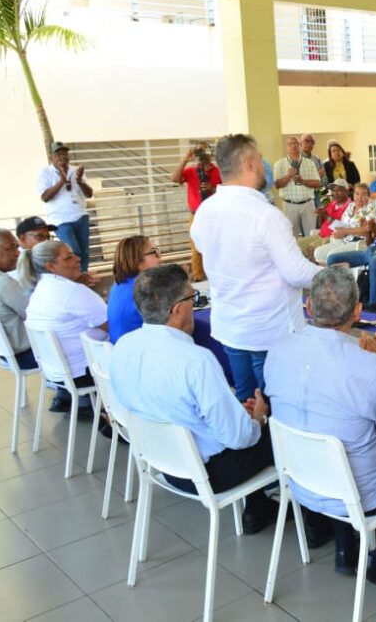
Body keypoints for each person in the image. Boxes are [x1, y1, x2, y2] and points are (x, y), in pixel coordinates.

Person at [265, 268, 376, 585]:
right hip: (361, 495)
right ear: (358, 312)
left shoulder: (276, 350)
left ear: (308, 306)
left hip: (299, 482)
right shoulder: (368, 366)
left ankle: (344, 546)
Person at [111, 264, 276, 534]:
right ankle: (314, 520)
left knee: (235, 418)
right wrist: (259, 419)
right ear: (177, 309)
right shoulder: (196, 361)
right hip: (208, 473)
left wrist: (238, 417)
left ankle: (258, 509)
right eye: (192, 299)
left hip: (163, 461)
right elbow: (239, 439)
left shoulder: (123, 347)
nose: (194, 305)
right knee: (280, 428)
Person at [191, 134, 321, 402]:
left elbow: (209, 252)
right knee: (275, 405)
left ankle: (251, 443)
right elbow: (296, 273)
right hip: (269, 332)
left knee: (246, 400)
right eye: (260, 159)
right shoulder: (265, 216)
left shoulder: (205, 210)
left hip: (231, 325)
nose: (265, 166)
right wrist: (333, 275)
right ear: (250, 163)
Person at [24, 240, 107, 416]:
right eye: (68, 257)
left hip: (56, 372)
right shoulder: (71, 291)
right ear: (50, 266)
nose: (78, 259)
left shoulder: (41, 289)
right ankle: (123, 420)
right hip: (85, 371)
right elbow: (113, 326)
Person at [0, 228, 36, 370]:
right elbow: (35, 316)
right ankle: (69, 388)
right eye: (10, 248)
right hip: (27, 356)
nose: (17, 253)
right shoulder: (3, 283)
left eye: (17, 247)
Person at [37, 141, 94, 272]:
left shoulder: (75, 171)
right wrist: (62, 180)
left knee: (84, 252)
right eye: (58, 154)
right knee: (74, 250)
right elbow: (45, 197)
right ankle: (74, 277)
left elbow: (89, 194)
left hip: (80, 216)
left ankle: (82, 275)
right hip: (60, 220)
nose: (62, 157)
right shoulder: (44, 172)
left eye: (64, 154)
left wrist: (80, 182)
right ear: (51, 157)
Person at [171, 142, 221, 282]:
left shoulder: (218, 171)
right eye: (197, 151)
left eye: (202, 151)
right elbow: (175, 179)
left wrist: (213, 188)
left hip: (215, 216)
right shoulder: (191, 170)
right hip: (196, 215)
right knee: (196, 248)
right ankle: (199, 277)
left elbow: (228, 189)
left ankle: (217, 275)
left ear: (209, 153)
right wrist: (185, 160)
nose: (200, 154)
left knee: (216, 245)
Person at [107, 236, 163, 343]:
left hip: (122, 350)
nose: (160, 257)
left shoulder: (118, 285)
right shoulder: (144, 290)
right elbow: (171, 328)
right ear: (137, 260)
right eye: (154, 252)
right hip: (139, 353)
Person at [313, 183, 376, 263]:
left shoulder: (371, 207)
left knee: (331, 255)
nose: (360, 198)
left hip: (359, 243)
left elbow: (368, 230)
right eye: (357, 194)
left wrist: (345, 232)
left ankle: (335, 274)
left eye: (364, 194)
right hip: (343, 240)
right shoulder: (351, 206)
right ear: (353, 196)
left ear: (368, 196)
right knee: (318, 252)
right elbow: (343, 224)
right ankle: (326, 274)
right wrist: (338, 230)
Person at [274, 135, 322, 237]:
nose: (294, 146)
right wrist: (288, 176)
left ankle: (310, 253)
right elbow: (277, 184)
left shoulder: (310, 163)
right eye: (290, 144)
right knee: (290, 236)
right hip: (289, 205)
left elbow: (317, 183)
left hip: (308, 204)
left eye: (296, 143)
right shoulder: (279, 164)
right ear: (286, 147)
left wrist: (303, 181)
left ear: (300, 145)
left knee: (311, 236)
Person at [10, 216, 54, 290]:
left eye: (48, 237)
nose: (46, 241)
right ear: (23, 238)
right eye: (40, 237)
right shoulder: (12, 261)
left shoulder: (47, 255)